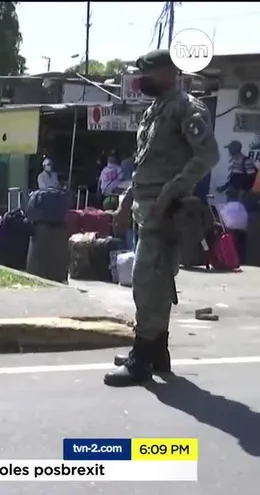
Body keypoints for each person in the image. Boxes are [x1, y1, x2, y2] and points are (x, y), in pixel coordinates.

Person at [106, 49, 219, 386]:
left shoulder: (187, 107)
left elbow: (208, 154)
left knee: (147, 283)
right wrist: (125, 203)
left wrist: (172, 191)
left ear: (170, 72)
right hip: (147, 208)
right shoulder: (156, 110)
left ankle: (142, 357)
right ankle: (158, 352)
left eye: (150, 73)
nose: (143, 80)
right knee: (155, 282)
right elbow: (145, 164)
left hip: (165, 211)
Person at [219, 188, 248, 262]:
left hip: (230, 230)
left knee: (232, 246)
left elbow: (222, 218)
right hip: (242, 231)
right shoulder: (241, 206)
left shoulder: (226, 207)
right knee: (241, 247)